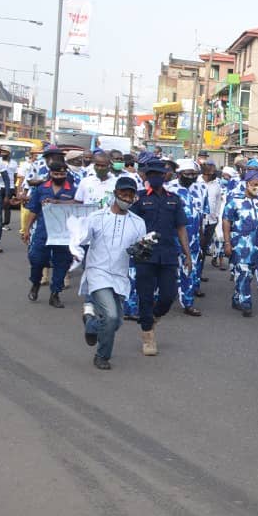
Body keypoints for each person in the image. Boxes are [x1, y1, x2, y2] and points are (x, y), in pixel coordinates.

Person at [78, 177, 148, 370]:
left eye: (130, 195)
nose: (126, 198)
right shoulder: (96, 217)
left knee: (116, 321)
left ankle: (91, 324)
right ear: (115, 193)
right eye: (123, 194)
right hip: (97, 272)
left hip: (119, 275)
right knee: (110, 315)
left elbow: (140, 249)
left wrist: (142, 251)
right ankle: (102, 356)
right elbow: (81, 240)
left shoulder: (138, 223)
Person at [130, 158, 192, 355]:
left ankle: (152, 318)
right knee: (145, 296)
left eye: (159, 174)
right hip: (145, 254)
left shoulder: (173, 199)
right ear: (147, 177)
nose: (156, 177)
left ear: (165, 176)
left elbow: (181, 228)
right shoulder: (138, 199)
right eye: (152, 175)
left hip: (167, 254)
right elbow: (129, 225)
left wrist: (187, 254)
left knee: (168, 295)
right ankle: (147, 334)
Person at [21, 157, 76, 307]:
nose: (59, 177)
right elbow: (33, 210)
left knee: (62, 263)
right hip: (42, 231)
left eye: (62, 174)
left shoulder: (72, 190)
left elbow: (78, 205)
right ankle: (35, 283)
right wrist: (26, 229)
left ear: (66, 174)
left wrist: (59, 202)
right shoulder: (41, 189)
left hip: (64, 234)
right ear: (50, 174)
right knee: (36, 259)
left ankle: (55, 294)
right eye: (56, 174)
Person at [222, 169, 258, 317]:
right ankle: (246, 304)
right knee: (244, 273)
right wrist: (227, 242)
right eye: (255, 184)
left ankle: (237, 298)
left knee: (247, 276)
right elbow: (226, 221)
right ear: (247, 184)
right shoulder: (235, 201)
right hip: (240, 245)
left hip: (256, 245)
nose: (257, 187)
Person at [166, 159, 208, 317]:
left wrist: (202, 234)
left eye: (194, 174)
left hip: (194, 239)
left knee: (190, 270)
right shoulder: (169, 189)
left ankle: (188, 302)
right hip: (173, 237)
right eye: (187, 174)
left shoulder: (202, 188)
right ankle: (162, 298)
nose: (191, 176)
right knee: (169, 270)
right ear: (179, 174)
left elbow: (203, 214)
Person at [0, 144, 18, 231]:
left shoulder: (14, 163)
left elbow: (15, 175)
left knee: (7, 205)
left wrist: (14, 188)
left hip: (9, 187)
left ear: (9, 153)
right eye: (1, 151)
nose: (2, 153)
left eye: (4, 152)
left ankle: (5, 223)